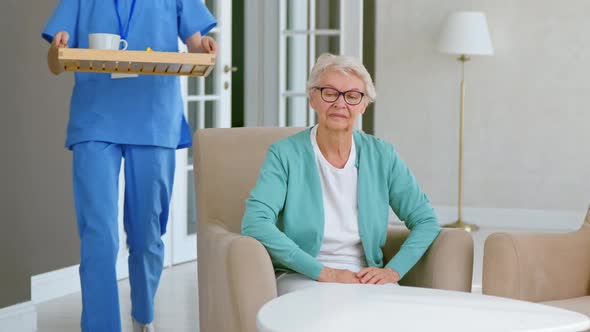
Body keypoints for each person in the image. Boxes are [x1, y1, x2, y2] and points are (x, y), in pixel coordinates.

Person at [42, 1, 216, 331]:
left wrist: (205, 47)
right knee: (98, 234)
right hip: (95, 118)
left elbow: (197, 47)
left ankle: (143, 316)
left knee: (147, 233)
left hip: (154, 116)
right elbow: (55, 61)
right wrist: (58, 49)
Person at [241, 53, 441, 296]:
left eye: (352, 96)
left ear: (364, 104)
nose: (340, 103)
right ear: (313, 97)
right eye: (330, 92)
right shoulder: (284, 154)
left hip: (366, 275)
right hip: (302, 274)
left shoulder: (382, 154)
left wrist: (393, 271)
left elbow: (425, 220)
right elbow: (255, 223)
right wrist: (326, 273)